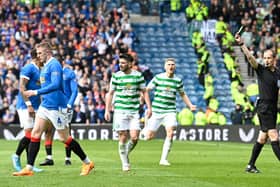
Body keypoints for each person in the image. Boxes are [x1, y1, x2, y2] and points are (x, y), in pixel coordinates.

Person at [13, 41, 94, 176]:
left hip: (57, 106)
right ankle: (29, 168)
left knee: (65, 138)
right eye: (37, 53)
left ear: (48, 52)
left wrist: (36, 92)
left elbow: (56, 85)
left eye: (40, 53)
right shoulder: (45, 67)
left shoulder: (54, 64)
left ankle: (87, 162)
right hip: (46, 105)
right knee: (35, 133)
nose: (38, 56)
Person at [235, 33, 280, 173]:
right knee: (274, 135)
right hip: (264, 107)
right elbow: (250, 58)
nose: (266, 60)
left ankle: (250, 165)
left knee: (262, 137)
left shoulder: (278, 73)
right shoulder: (261, 70)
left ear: (274, 59)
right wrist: (242, 44)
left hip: (273, 107)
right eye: (265, 58)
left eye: (269, 58)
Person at [142, 58, 196, 166]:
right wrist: (149, 107)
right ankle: (145, 126)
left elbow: (182, 94)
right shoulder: (158, 78)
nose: (171, 66)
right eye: (169, 64)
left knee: (170, 132)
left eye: (172, 64)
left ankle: (163, 159)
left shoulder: (178, 80)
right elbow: (146, 90)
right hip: (157, 111)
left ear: (174, 67)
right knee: (148, 137)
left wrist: (190, 105)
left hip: (170, 111)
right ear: (165, 67)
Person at [104, 53, 152, 171]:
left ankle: (125, 153)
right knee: (123, 136)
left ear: (130, 64)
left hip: (134, 111)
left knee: (135, 137)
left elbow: (144, 91)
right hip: (120, 110)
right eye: (120, 63)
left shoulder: (138, 76)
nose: (121, 65)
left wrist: (149, 107)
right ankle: (125, 164)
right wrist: (107, 110)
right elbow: (110, 94)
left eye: (123, 63)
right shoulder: (116, 76)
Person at [40, 58, 78, 166]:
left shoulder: (69, 73)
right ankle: (49, 158)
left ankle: (68, 158)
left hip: (64, 106)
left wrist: (69, 104)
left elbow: (75, 90)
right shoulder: (48, 73)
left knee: (66, 132)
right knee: (48, 131)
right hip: (51, 105)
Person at [12, 48, 43, 173]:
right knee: (30, 135)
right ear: (36, 57)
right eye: (41, 55)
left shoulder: (40, 69)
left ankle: (29, 164)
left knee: (33, 135)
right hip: (25, 106)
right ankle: (16, 156)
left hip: (36, 105)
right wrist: (29, 104)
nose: (43, 58)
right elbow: (21, 87)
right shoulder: (28, 68)